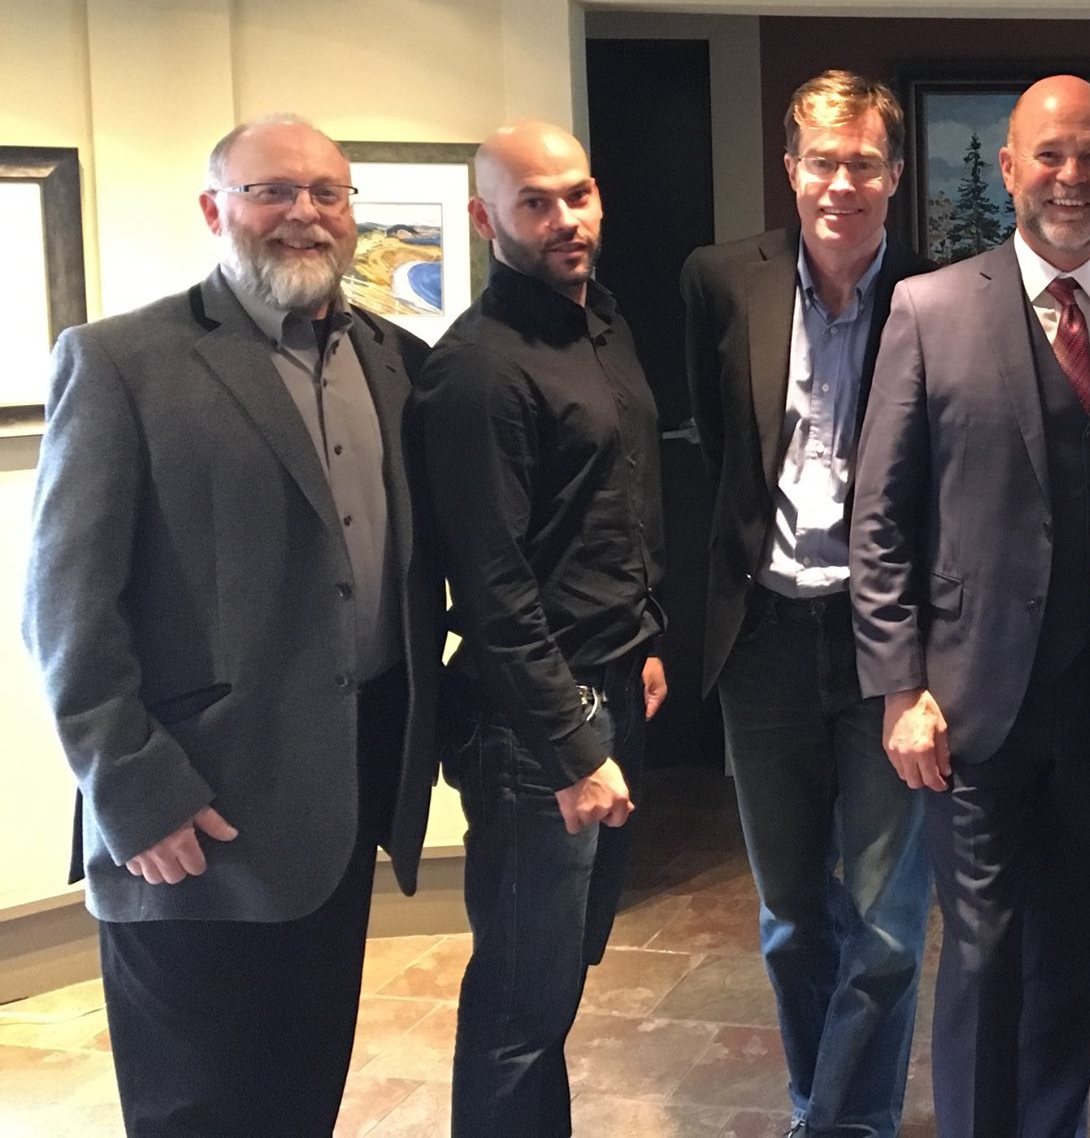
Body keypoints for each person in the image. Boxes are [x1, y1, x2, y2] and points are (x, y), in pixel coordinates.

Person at [21, 115, 443, 1137]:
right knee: (197, 1109)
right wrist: (134, 791)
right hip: (193, 817)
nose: (303, 214)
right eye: (272, 192)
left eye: (326, 194)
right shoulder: (125, 361)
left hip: (342, 795)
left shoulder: (394, 359)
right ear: (216, 209)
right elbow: (63, 606)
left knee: (303, 1088)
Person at [851, 74, 1090, 1137]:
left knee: (1081, 951)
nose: (1070, 177)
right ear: (1007, 170)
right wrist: (898, 686)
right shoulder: (928, 308)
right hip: (968, 704)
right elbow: (879, 518)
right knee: (985, 952)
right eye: (1047, 155)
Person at [680, 71, 935, 1138]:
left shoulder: (936, 295)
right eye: (822, 162)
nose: (843, 183)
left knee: (883, 923)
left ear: (894, 172)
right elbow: (712, 454)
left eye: (864, 162)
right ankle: (813, 1102)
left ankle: (846, 1124)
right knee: (791, 915)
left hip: (884, 646)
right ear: (790, 170)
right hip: (765, 640)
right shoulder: (716, 281)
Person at [412, 121, 670, 1138]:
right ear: (485, 218)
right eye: (533, 202)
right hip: (537, 725)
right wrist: (572, 746)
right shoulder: (476, 370)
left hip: (610, 683)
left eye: (576, 196)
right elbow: (492, 584)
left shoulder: (600, 323)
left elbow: (612, 502)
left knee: (558, 975)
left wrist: (642, 638)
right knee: (521, 1002)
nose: (564, 219)